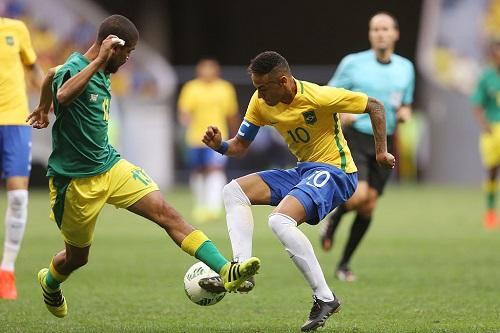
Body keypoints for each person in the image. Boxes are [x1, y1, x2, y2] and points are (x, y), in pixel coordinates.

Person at [25, 14, 260, 318]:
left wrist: (43, 109)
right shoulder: (81, 68)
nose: (127, 59)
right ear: (113, 47)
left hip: (110, 166)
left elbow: (49, 76)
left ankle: (226, 269)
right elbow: (63, 92)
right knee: (76, 258)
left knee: (168, 214)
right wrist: (85, 74)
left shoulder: (95, 69)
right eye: (128, 52)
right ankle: (51, 283)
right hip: (75, 182)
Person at [200, 51, 394, 332]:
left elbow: (375, 105)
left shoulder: (319, 96)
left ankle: (325, 298)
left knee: (279, 220)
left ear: (283, 81)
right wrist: (220, 145)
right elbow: (239, 146)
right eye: (256, 87)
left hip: (336, 172)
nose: (258, 94)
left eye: (263, 88)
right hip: (304, 171)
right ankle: (241, 269)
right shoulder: (261, 102)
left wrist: (380, 153)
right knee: (233, 192)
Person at [319, 12, 415, 282]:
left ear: (396, 33)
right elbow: (327, 95)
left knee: (369, 206)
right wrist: (342, 113)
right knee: (360, 196)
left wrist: (406, 111)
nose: (380, 33)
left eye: (385, 28)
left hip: (387, 140)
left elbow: (404, 101)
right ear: (370, 34)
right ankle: (333, 221)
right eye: (375, 29)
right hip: (358, 137)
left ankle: (344, 264)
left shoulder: (406, 67)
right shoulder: (353, 63)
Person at [0, 16, 43, 300]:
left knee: (17, 197)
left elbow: (33, 69)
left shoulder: (16, 28)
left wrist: (50, 102)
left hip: (15, 121)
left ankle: (7, 269)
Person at [177, 58, 239, 223]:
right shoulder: (192, 88)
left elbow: (231, 113)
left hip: (217, 137)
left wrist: (235, 134)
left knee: (215, 169)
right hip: (195, 138)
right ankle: (200, 205)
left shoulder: (225, 88)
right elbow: (184, 110)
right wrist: (184, 121)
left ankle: (213, 207)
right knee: (198, 171)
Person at [471, 39, 500, 229]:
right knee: (492, 172)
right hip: (493, 129)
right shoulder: (486, 77)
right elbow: (477, 104)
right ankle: (490, 213)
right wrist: (484, 125)